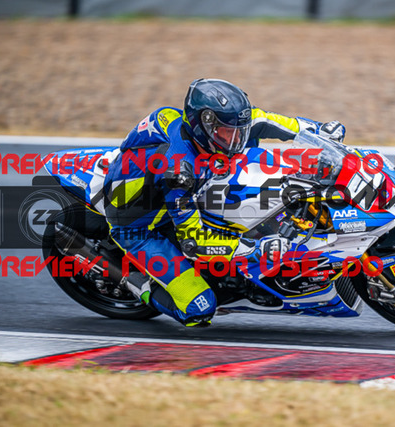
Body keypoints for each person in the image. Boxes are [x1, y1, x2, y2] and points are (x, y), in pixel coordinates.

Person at [103, 78, 345, 327]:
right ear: (202, 126)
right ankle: (133, 282)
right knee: (199, 310)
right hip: (139, 226)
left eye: (239, 130)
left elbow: (268, 121)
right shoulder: (179, 172)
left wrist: (320, 131)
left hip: (176, 185)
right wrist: (254, 249)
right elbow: (193, 242)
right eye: (228, 133)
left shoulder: (215, 127)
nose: (236, 139)